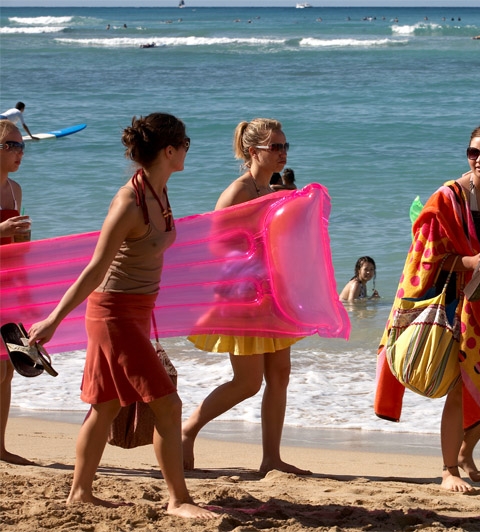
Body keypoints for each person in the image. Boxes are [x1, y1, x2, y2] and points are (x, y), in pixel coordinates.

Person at [26, 113, 214, 519]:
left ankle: (80, 493)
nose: (188, 150)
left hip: (137, 312)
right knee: (168, 405)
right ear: (169, 150)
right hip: (113, 315)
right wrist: (54, 320)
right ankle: (178, 500)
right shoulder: (130, 202)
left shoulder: (159, 191)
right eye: (185, 144)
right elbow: (96, 268)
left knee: (107, 404)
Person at [376, 123, 480, 492]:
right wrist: (468, 262)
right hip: (463, 305)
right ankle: (448, 469)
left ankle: (466, 449)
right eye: (473, 152)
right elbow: (425, 255)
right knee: (463, 387)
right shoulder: (451, 196)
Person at [182, 118, 311, 476]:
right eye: (276, 147)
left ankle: (271, 459)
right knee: (248, 382)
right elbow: (214, 245)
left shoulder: (270, 189)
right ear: (253, 151)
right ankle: (186, 431)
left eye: (285, 146)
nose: (283, 153)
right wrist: (254, 248)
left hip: (274, 292)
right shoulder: (237, 192)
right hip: (244, 295)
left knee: (280, 375)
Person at [0, 119, 33, 465]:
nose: (19, 152)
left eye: (21, 145)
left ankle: (0, 446)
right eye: (11, 145)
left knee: (9, 369)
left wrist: (26, 292)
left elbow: (16, 248)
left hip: (7, 285)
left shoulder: (15, 189)